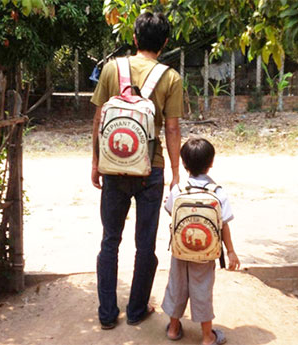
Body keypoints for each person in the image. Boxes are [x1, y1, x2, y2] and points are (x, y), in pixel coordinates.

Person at [90, 12, 183, 330]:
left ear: (134, 38)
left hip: (114, 167)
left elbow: (100, 120)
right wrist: (175, 172)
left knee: (109, 241)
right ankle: (136, 309)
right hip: (150, 171)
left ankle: (106, 314)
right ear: (165, 43)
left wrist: (95, 163)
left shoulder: (112, 69)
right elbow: (172, 129)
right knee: (145, 244)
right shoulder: (171, 78)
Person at [162, 137, 240, 345]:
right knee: (202, 288)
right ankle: (207, 336)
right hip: (206, 253)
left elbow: (170, 210)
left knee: (176, 285)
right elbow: (224, 225)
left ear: (184, 164)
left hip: (180, 250)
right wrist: (231, 252)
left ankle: (173, 328)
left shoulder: (178, 189)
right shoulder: (217, 192)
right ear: (211, 162)